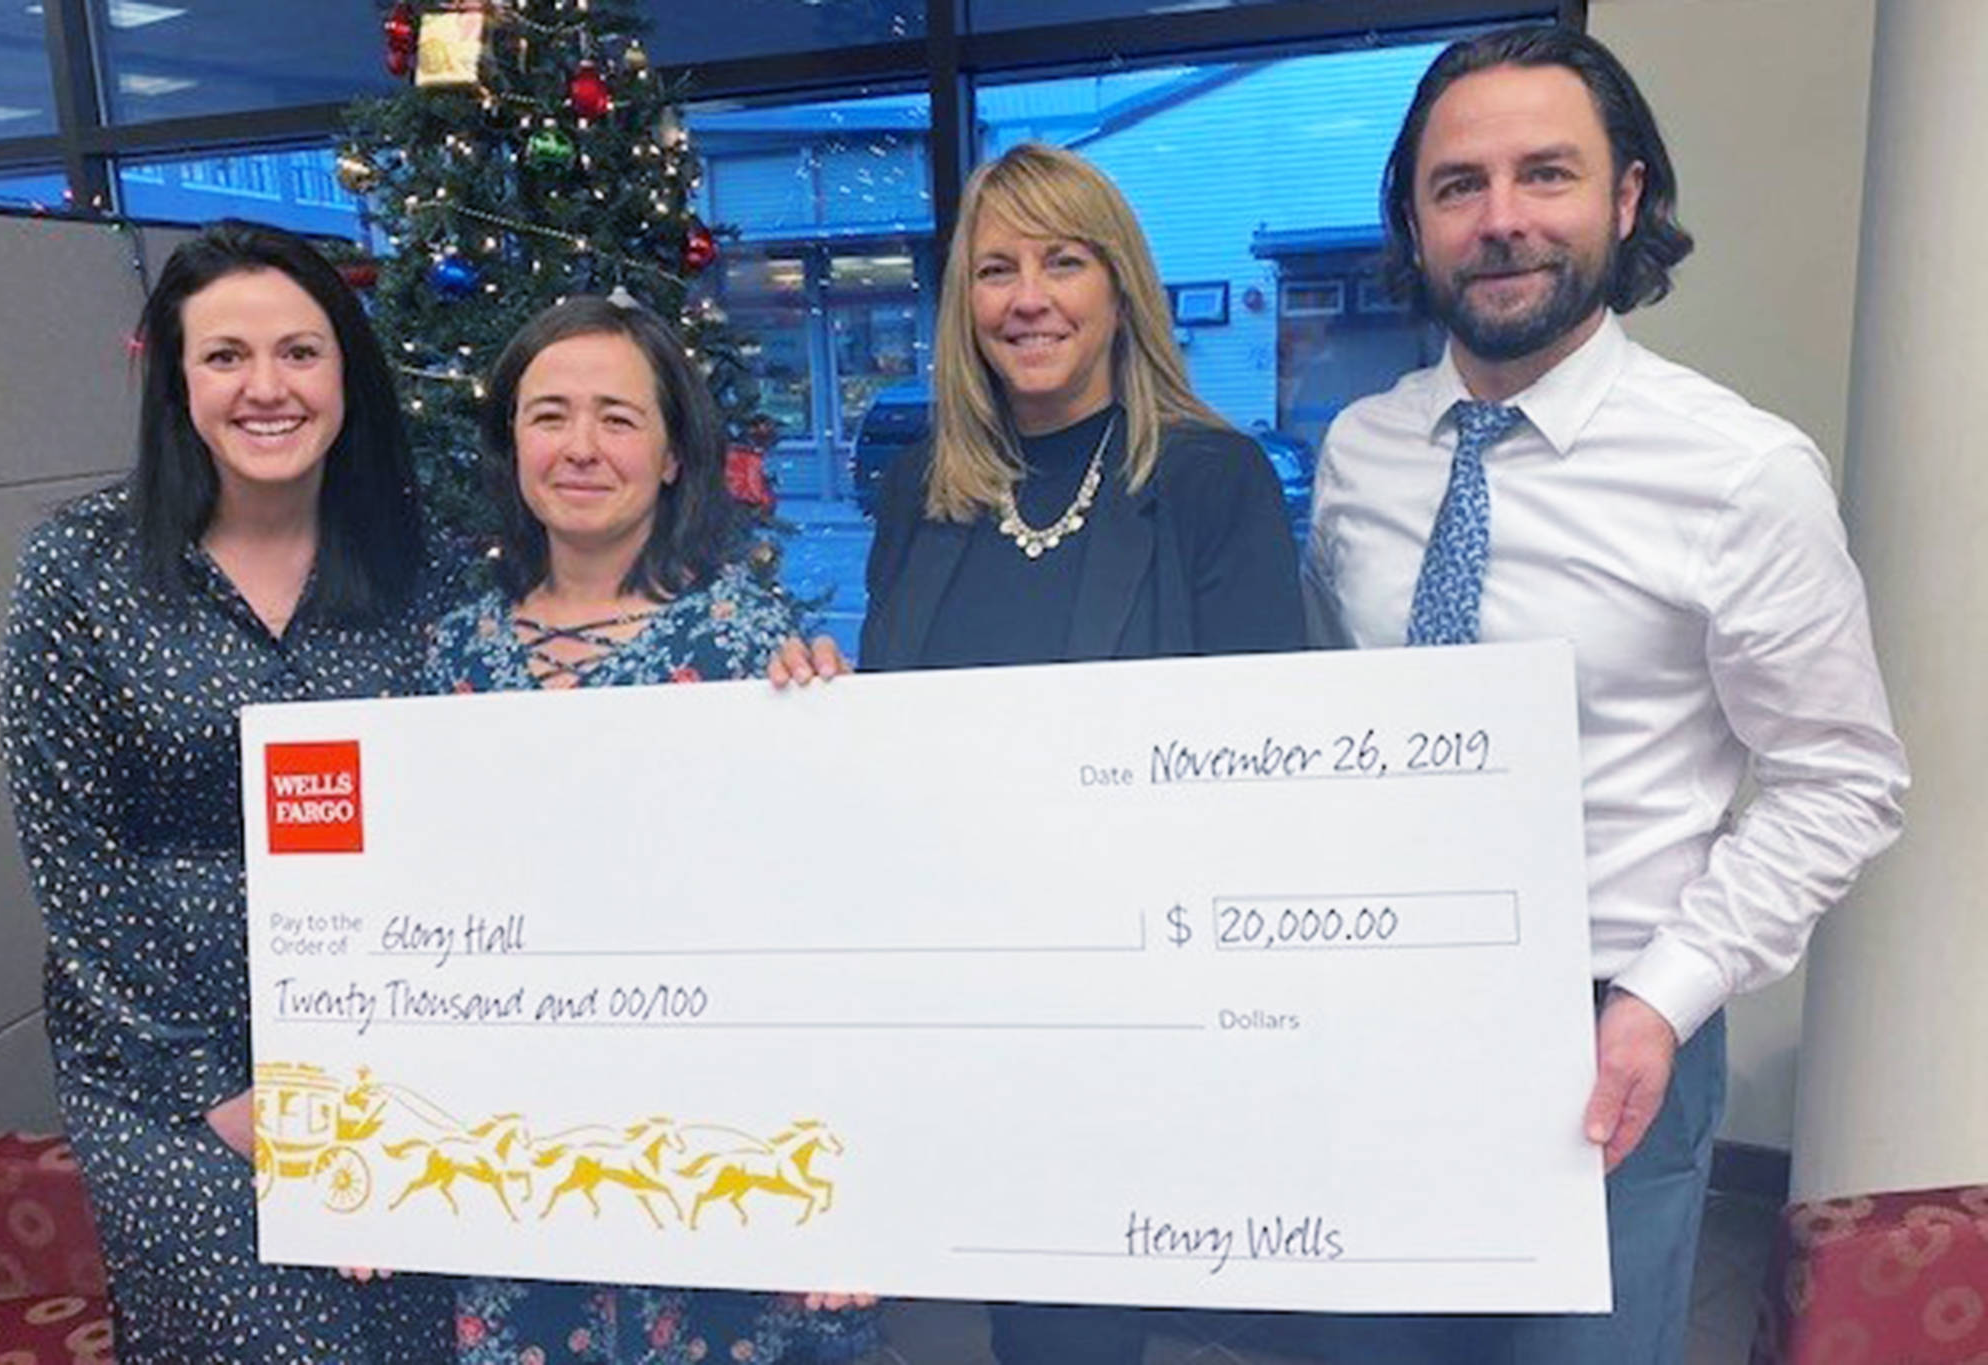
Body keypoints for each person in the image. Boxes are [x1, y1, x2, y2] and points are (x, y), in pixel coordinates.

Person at [1308, 26, 1908, 1364]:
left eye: (1546, 173)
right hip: (1379, 1014)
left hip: (1611, 1029)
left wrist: (1662, 997)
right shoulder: (1359, 455)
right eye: (1457, 185)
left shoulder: (1738, 473)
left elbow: (1842, 779)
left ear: (1625, 197)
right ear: (1413, 219)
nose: (1500, 220)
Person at [773, 141, 1346, 1365]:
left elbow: (1264, 767)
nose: (1027, 298)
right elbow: (892, 734)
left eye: (1063, 262)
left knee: (1082, 1323)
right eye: (995, 270)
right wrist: (819, 704)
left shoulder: (1210, 481)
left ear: (1119, 287)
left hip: (1130, 1002)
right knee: (958, 1307)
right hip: (951, 995)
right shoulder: (922, 489)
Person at [0, 221, 453, 1361]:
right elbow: (72, 854)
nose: (266, 388)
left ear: (346, 371)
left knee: (410, 1332)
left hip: (387, 1035)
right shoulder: (81, 570)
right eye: (225, 356)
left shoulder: (427, 566)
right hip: (159, 1053)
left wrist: (787, 681)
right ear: (176, 379)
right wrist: (215, 1086)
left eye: (299, 352)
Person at [426, 294, 879, 1365]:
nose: (581, 446)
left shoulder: (757, 651)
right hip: (522, 1171)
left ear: (674, 456)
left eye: (618, 417)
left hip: (716, 1163)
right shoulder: (447, 656)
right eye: (549, 415)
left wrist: (836, 743)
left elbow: (831, 928)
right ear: (511, 444)